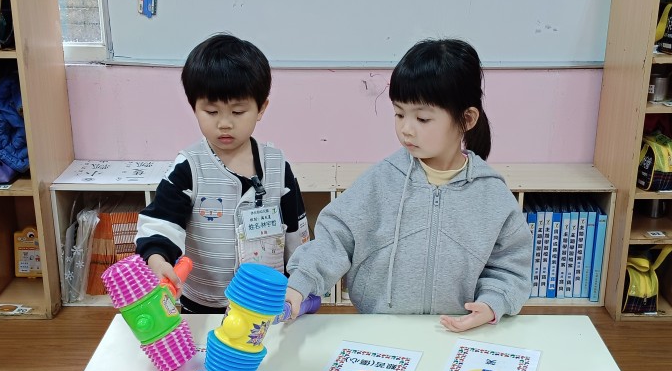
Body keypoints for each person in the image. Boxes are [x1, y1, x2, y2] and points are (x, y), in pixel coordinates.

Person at [285, 38, 532, 332]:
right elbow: (335, 238)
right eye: (399, 114)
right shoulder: (381, 180)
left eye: (422, 118)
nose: (406, 129)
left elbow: (510, 266)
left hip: (455, 333)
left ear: (467, 119)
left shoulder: (491, 195)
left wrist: (492, 303)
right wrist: (300, 283)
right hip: (381, 332)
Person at [135, 34, 309, 313]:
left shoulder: (278, 166)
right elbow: (162, 222)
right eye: (211, 111)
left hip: (264, 301)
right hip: (203, 303)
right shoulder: (189, 166)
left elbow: (296, 234)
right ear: (194, 107)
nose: (224, 123)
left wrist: (299, 282)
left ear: (261, 108)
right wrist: (157, 259)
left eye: (238, 112)